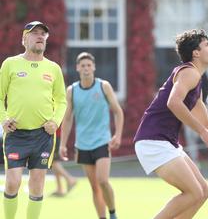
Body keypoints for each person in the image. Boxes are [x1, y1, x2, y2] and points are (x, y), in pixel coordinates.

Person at [133, 29, 208, 219]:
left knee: (203, 192)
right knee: (194, 193)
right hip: (154, 141)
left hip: (165, 142)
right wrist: (204, 133)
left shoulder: (195, 79)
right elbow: (173, 103)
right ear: (196, 53)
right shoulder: (189, 72)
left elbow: (206, 123)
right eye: (207, 45)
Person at [1, 21, 67, 219]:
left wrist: (55, 122)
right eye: (34, 33)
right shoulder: (10, 64)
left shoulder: (53, 68)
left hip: (43, 136)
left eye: (43, 34)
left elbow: (62, 100)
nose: (40, 36)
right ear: (24, 39)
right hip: (15, 134)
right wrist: (4, 119)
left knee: (37, 185)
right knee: (13, 182)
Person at [59, 52, 124, 219]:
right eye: (83, 65)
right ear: (77, 68)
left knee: (103, 180)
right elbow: (67, 119)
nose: (86, 68)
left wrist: (117, 135)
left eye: (89, 65)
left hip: (102, 141)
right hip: (82, 145)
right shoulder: (72, 90)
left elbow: (118, 111)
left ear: (94, 67)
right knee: (95, 187)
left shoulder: (104, 86)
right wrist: (63, 144)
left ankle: (113, 213)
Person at [49, 127, 77, 197]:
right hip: (55, 135)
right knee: (54, 162)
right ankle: (59, 188)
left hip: (55, 135)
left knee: (53, 162)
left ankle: (70, 179)